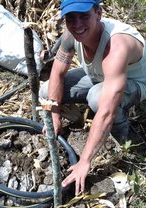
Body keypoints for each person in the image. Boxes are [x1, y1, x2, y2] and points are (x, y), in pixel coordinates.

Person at [39, 0, 146, 195]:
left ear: (99, 13)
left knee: (97, 99)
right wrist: (54, 116)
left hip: (135, 81)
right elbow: (56, 74)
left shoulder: (117, 46)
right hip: (99, 75)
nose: (77, 24)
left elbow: (106, 111)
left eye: (84, 16)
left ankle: (123, 139)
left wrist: (84, 161)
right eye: (71, 18)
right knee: (46, 91)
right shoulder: (71, 34)